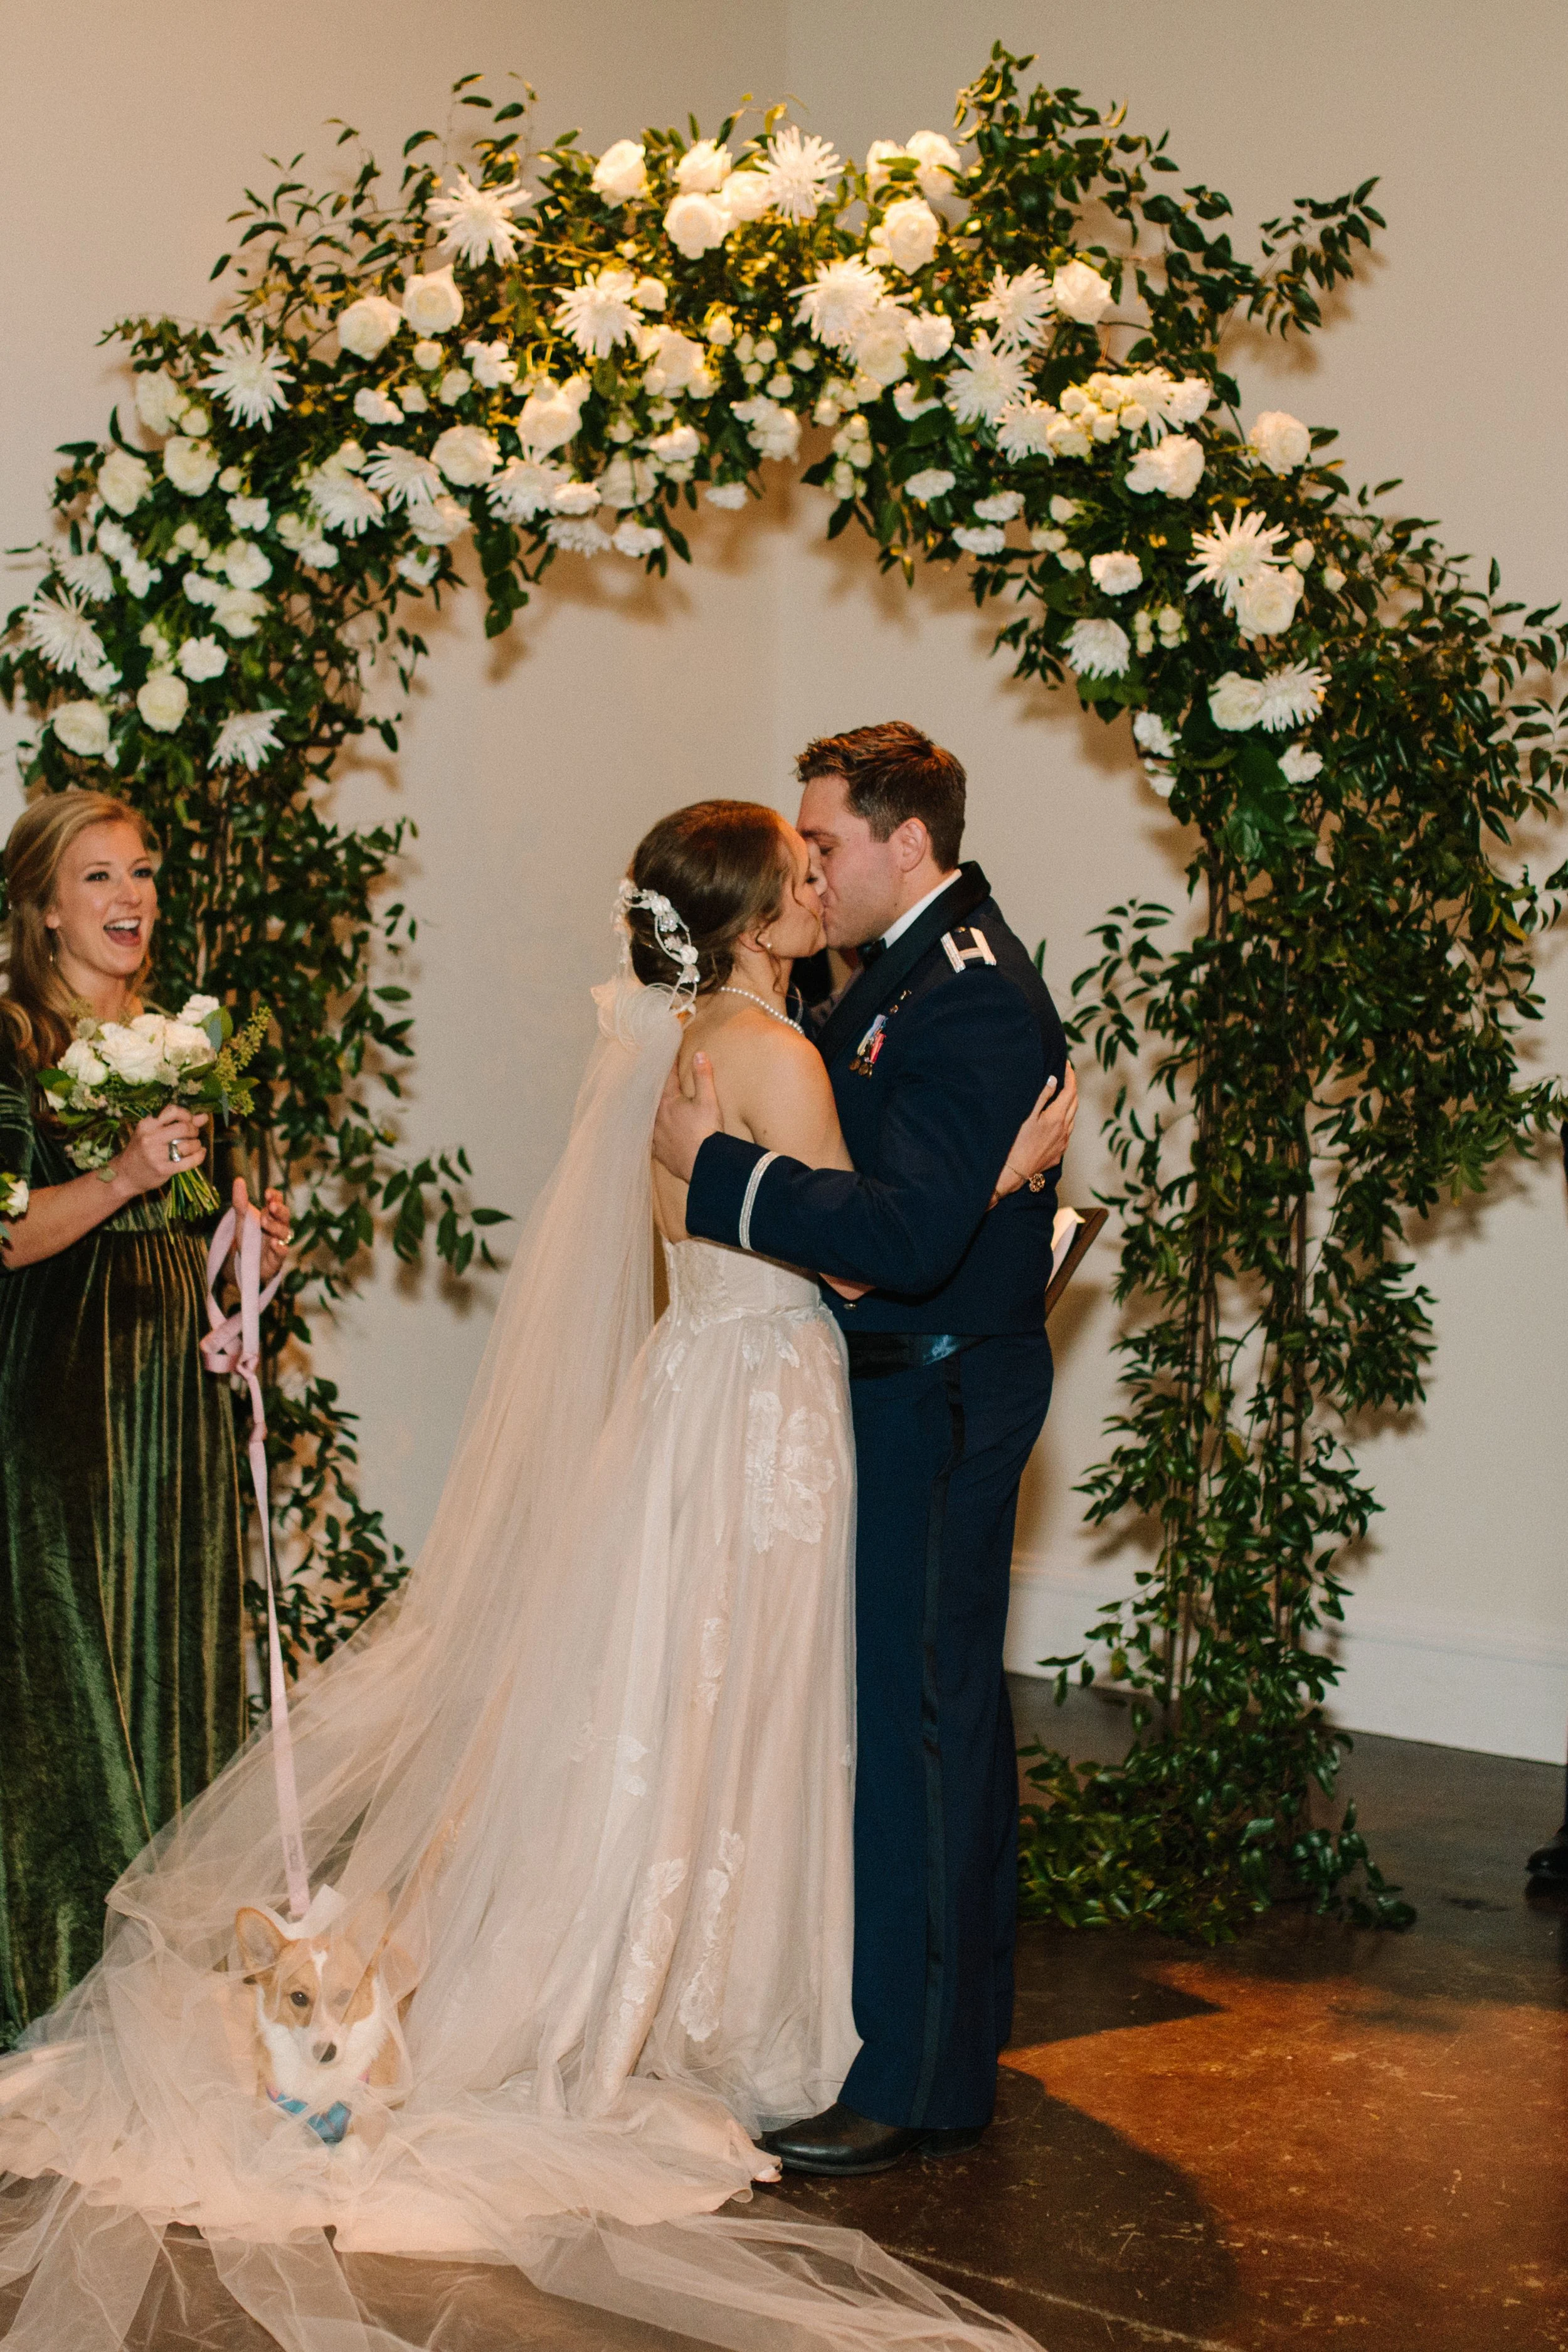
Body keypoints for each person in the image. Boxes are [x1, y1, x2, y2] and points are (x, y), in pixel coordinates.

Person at [0, 796, 1067, 2352]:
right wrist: (1000, 1181)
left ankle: (617, 1974)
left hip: (688, 1389)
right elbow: (861, 1258)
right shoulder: (765, 1056)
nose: (821, 884)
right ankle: (717, 1998)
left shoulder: (675, 1043)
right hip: (768, 1405)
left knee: (669, 1700)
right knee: (755, 1703)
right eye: (803, 868)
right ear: (768, 908)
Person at [655, 722, 1069, 2176]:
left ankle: (924, 2082)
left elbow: (900, 1235)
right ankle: (888, 2028)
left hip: (940, 1387)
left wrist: (721, 1177)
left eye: (823, 841)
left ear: (908, 841)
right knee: (888, 1723)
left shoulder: (969, 998)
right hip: (882, 1384)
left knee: (928, 1726)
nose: (809, 870)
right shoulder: (881, 977)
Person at [0, 789, 290, 2046]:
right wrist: (119, 1177)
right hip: (58, 1404)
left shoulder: (186, 1044)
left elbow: (205, 1215)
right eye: (98, 877)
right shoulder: (11, 1042)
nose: (129, 899)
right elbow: (10, 1233)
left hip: (174, 1408)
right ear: (43, 906)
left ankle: (169, 1983)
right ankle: (67, 1989)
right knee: (70, 1687)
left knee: (169, 1660)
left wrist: (250, 1250)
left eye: (143, 874)